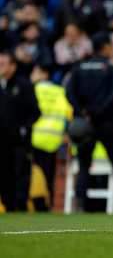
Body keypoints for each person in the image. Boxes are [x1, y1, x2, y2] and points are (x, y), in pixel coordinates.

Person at [65, 32, 113, 211]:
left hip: (84, 124)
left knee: (84, 164)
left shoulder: (78, 68)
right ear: (106, 47)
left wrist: (83, 112)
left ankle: (80, 204)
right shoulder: (111, 68)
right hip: (109, 122)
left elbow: (69, 93)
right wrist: (98, 111)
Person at [0, 50, 41, 211]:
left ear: (13, 66)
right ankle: (8, 205)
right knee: (3, 174)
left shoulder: (23, 85)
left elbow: (35, 112)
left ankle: (21, 205)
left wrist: (24, 128)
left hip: (19, 142)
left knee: (21, 173)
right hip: (1, 142)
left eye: (3, 64)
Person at [29, 63, 73, 210]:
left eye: (35, 70)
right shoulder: (60, 92)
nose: (32, 74)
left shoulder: (32, 90)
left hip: (32, 139)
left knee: (30, 176)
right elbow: (68, 115)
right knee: (49, 176)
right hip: (53, 140)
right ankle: (47, 205)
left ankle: (32, 204)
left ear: (44, 73)